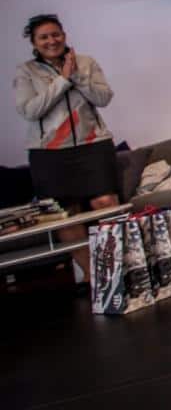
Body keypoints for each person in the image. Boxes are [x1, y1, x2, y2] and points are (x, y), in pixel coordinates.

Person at [13, 14, 119, 280]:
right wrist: (62, 80)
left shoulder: (85, 62)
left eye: (55, 34)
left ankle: (119, 269)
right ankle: (96, 278)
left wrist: (76, 76)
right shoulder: (26, 72)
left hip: (92, 144)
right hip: (49, 153)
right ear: (34, 43)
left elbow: (104, 97)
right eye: (44, 37)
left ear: (64, 35)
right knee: (66, 214)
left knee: (105, 201)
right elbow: (30, 110)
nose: (52, 41)